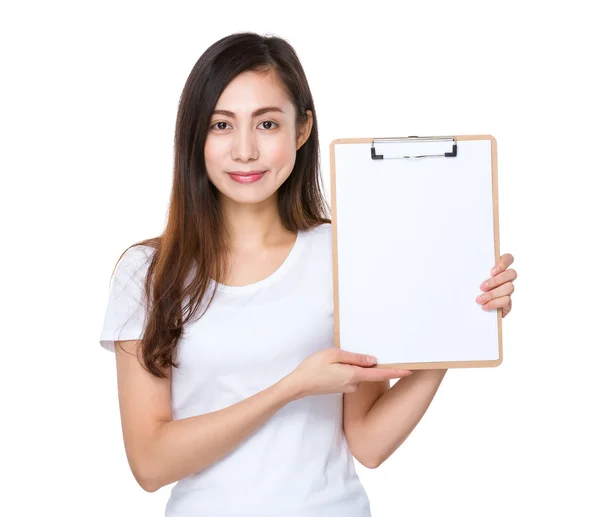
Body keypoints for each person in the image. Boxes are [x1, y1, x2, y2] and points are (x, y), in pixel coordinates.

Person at [98, 32, 517, 517]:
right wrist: (291, 387)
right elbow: (150, 463)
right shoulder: (148, 273)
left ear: (301, 131)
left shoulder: (346, 253)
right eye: (221, 125)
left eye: (268, 123)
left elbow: (369, 443)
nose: (245, 150)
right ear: (196, 136)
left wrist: (457, 325)